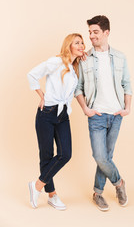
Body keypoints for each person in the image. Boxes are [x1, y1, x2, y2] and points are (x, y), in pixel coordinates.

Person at [75, 15, 132, 211]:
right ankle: (119, 183)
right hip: (96, 115)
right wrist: (85, 109)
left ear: (106, 33)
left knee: (107, 155)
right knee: (100, 156)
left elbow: (127, 84)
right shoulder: (84, 58)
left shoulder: (120, 57)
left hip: (116, 115)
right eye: (89, 32)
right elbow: (78, 87)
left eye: (95, 32)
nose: (91, 36)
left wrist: (127, 108)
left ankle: (97, 193)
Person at [27, 33, 85, 210]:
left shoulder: (75, 67)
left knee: (65, 154)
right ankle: (51, 195)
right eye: (77, 43)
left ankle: (37, 185)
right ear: (69, 45)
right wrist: (42, 96)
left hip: (63, 115)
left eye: (83, 43)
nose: (82, 45)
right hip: (47, 113)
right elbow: (32, 75)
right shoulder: (56, 61)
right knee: (46, 155)